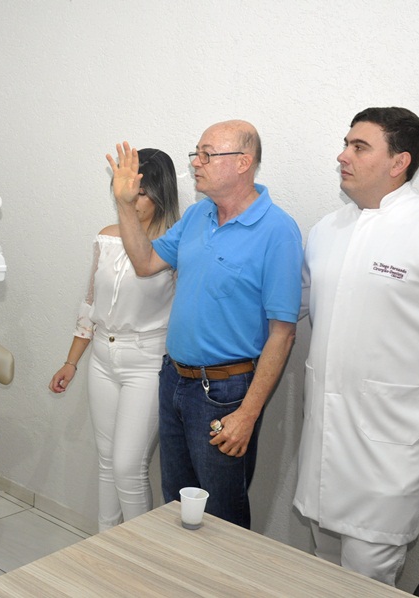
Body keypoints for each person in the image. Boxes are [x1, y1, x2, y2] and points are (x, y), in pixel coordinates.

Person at [293, 107, 419, 585]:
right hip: (324, 437)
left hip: (391, 445)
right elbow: (291, 308)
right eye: (345, 144)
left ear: (399, 161)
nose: (342, 156)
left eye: (359, 147)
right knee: (322, 568)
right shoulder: (326, 231)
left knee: (369, 577)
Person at [107, 120, 303, 528]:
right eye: (196, 153)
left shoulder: (278, 230)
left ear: (243, 162)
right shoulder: (198, 215)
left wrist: (247, 414)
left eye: (207, 155)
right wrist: (125, 205)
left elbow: (283, 335)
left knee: (221, 516)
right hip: (174, 379)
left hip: (225, 393)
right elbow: (145, 262)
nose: (196, 163)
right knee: (177, 504)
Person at [49, 148, 180, 531]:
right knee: (107, 461)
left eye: (139, 192)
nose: (129, 199)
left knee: (128, 466)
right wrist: (71, 361)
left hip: (148, 362)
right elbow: (90, 303)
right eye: (123, 189)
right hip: (102, 359)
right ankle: (105, 542)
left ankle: (139, 555)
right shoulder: (106, 238)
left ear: (160, 194)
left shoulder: (174, 245)